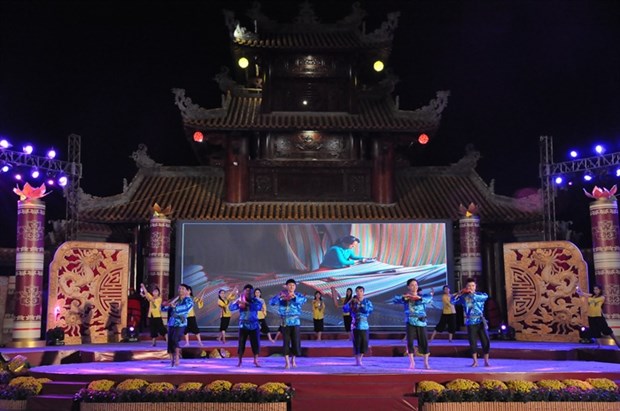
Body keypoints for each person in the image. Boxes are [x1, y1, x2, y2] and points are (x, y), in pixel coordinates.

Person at [391, 278, 433, 369]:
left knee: (424, 342)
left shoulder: (424, 296)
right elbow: (394, 300)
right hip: (410, 321)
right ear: (408, 287)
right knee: (409, 342)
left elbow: (428, 300)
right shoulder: (406, 297)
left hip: (421, 322)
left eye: (416, 285)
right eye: (412, 285)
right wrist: (405, 297)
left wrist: (417, 297)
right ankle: (412, 362)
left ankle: (426, 362)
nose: (414, 287)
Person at [269, 278, 308, 369]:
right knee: (286, 342)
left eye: (293, 285)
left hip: (295, 322)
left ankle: (293, 360)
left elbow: (303, 300)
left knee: (295, 342)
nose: (291, 287)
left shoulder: (298, 295)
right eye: (289, 285)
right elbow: (271, 302)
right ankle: (287, 362)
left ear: (295, 287)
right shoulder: (281, 295)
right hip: (285, 322)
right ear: (286, 286)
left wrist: (294, 297)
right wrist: (279, 297)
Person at [452, 278, 490, 367]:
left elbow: (485, 297)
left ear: (475, 286)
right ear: (466, 287)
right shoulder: (464, 297)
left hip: (480, 321)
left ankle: (486, 361)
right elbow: (452, 301)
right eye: (469, 286)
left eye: (473, 285)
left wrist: (471, 294)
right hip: (471, 322)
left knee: (485, 341)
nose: (471, 287)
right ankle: (475, 361)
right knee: (472, 342)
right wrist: (459, 293)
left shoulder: (480, 295)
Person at [576, 284, 620, 348]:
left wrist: (587, 296)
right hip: (591, 316)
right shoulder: (592, 296)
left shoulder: (602, 297)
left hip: (598, 316)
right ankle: (599, 346)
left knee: (607, 330)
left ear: (600, 290)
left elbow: (594, 300)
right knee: (595, 331)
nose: (595, 291)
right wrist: (578, 288)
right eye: (594, 289)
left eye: (597, 289)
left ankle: (617, 343)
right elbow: (582, 293)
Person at [230, 284, 263, 367]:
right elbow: (231, 308)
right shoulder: (240, 300)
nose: (248, 292)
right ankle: (240, 361)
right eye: (246, 291)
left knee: (255, 343)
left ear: (252, 292)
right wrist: (236, 301)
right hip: (243, 325)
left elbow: (258, 307)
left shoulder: (255, 300)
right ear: (244, 292)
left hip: (254, 325)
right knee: (241, 343)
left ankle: (256, 360)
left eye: (250, 291)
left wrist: (247, 303)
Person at [162, 283, 193, 367]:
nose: (180, 290)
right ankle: (171, 360)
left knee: (175, 339)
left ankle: (177, 358)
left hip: (181, 323)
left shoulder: (188, 300)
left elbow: (186, 307)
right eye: (179, 289)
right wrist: (165, 305)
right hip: (172, 322)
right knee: (170, 341)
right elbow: (165, 308)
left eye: (183, 289)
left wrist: (175, 307)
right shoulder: (176, 299)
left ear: (187, 291)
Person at [343, 286, 373, 366]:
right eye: (358, 291)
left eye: (361, 291)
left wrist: (360, 304)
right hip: (355, 326)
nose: (359, 293)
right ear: (356, 293)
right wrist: (350, 301)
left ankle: (360, 359)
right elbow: (345, 309)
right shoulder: (353, 302)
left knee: (364, 344)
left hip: (364, 325)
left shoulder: (367, 302)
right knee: (356, 344)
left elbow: (368, 310)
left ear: (363, 292)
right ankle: (358, 360)